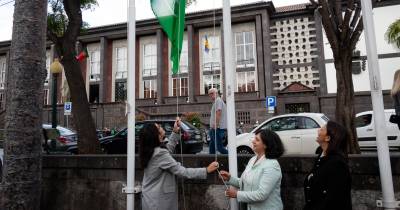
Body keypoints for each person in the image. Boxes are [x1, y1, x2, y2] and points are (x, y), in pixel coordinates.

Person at [140, 118, 219, 210]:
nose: (161, 127)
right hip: (158, 201)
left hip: (150, 198)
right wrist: (206, 170)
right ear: (156, 135)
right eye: (159, 127)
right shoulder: (159, 154)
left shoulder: (150, 150)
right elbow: (183, 172)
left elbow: (166, 151)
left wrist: (175, 132)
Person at [219, 129, 285, 210]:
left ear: (266, 145)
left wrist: (237, 194)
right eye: (254, 138)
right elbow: (245, 183)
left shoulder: (272, 165)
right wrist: (230, 179)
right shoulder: (253, 159)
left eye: (257, 140)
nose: (253, 141)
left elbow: (261, 194)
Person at [303, 121, 352, 210]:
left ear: (328, 138)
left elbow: (334, 200)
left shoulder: (337, 164)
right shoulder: (321, 157)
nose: (318, 131)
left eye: (322, 129)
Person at [208, 88, 228, 154]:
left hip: (218, 128)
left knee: (219, 147)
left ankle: (232, 158)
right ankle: (211, 161)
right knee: (212, 147)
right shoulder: (217, 101)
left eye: (210, 94)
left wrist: (216, 124)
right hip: (214, 128)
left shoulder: (218, 100)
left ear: (215, 93)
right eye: (209, 94)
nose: (209, 96)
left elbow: (218, 112)